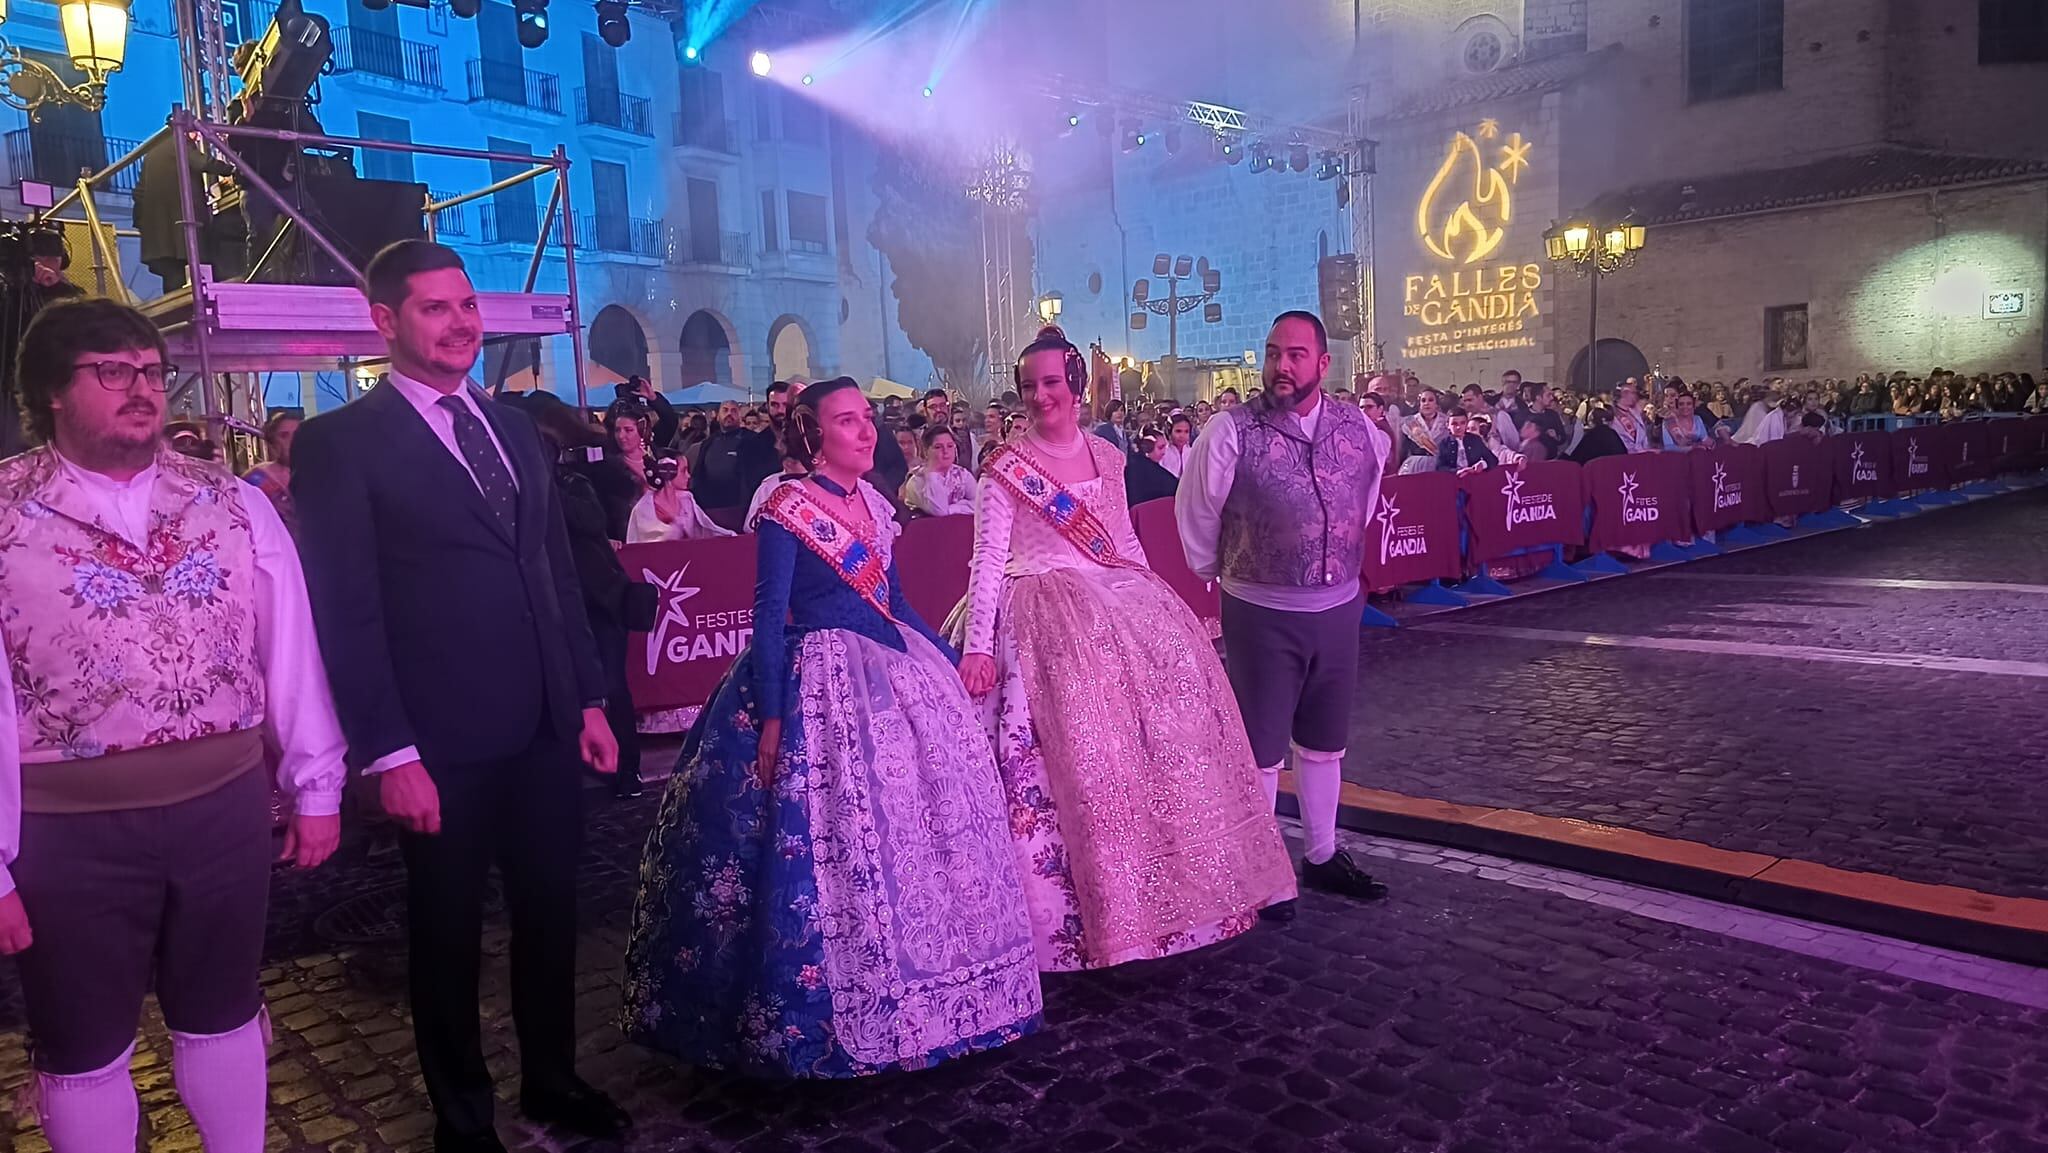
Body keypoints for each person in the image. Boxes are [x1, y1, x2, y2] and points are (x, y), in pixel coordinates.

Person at [291, 242, 626, 1153]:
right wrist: (388, 752)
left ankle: (554, 1080)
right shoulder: (341, 443)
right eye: (434, 308)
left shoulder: (514, 426)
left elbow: (553, 571)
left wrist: (588, 701)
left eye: (466, 304)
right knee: (444, 937)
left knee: (552, 914)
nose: (459, 322)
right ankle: (463, 1119)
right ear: (385, 321)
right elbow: (346, 611)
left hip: (545, 726)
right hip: (436, 744)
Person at [0, 298, 345, 1153]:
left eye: (150, 371)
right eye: (111, 371)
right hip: (64, 829)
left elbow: (290, 643)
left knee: (224, 1012)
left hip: (222, 805)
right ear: (52, 390)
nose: (141, 388)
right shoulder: (5, 512)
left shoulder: (230, 502)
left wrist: (317, 781)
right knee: (84, 1044)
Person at [620, 377, 1040, 1076]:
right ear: (814, 434)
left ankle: (932, 990)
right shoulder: (787, 508)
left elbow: (896, 602)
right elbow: (768, 612)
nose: (865, 430)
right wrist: (774, 717)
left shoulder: (875, 505)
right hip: (819, 679)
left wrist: (955, 657)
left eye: (866, 418)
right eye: (846, 421)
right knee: (820, 842)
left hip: (891, 672)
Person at [956, 326, 1294, 971]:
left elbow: (1123, 544)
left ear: (1077, 386)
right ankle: (1084, 919)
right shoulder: (1003, 470)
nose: (1040, 396)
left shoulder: (1107, 457)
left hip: (1117, 606)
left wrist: (1158, 601)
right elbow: (988, 560)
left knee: (1163, 742)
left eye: (1051, 383)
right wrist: (977, 649)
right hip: (1038, 616)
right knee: (1078, 761)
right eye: (1029, 386)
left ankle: (1174, 893)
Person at [1177, 311, 1392, 917]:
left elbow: (1365, 502)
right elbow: (1195, 511)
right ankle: (1262, 869)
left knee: (1326, 741)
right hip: (1261, 610)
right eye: (1274, 353)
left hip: (1338, 607)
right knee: (1262, 746)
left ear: (1323, 364)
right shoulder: (1230, 431)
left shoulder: (1363, 431)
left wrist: (1336, 558)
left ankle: (1322, 855)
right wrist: (1220, 571)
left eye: (1296, 355)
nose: (1282, 366)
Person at [519, 391, 653, 800]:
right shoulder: (520, 497)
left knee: (611, 685)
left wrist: (546, 490)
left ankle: (627, 770)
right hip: (555, 605)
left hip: (600, 600)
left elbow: (592, 520)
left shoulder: (576, 483)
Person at [628, 455, 735, 543]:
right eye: (684, 471)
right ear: (669, 473)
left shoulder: (687, 501)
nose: (688, 476)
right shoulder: (643, 509)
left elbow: (706, 528)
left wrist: (731, 537)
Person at [243, 408, 302, 535]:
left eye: (297, 434)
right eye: (284, 435)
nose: (292, 441)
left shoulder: (321, 475)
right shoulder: (256, 478)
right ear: (272, 443)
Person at [903, 425, 976, 516]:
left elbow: (979, 505)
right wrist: (933, 472)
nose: (946, 451)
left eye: (950, 446)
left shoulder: (963, 474)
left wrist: (953, 508)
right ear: (925, 452)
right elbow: (940, 511)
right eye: (938, 447)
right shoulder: (917, 481)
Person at [1436, 409, 1497, 474]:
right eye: (1454, 424)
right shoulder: (1444, 444)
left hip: (1475, 479)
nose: (1458, 427)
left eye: (1462, 423)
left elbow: (1493, 460)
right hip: (1454, 481)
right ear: (1448, 425)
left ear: (1466, 424)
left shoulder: (1475, 440)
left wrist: (1483, 465)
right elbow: (1439, 467)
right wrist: (1457, 471)